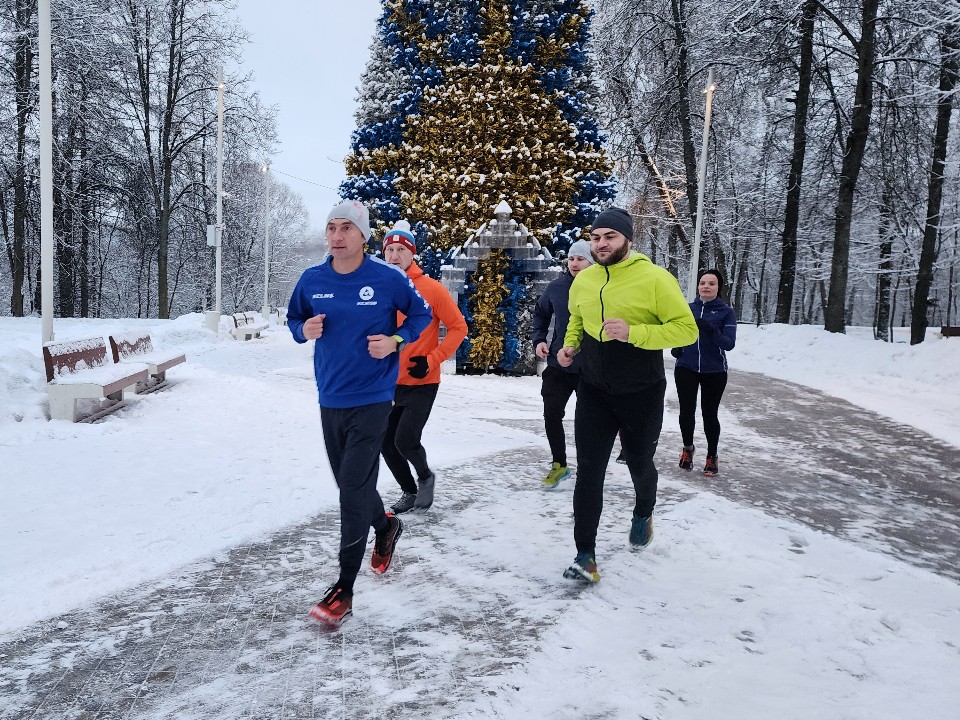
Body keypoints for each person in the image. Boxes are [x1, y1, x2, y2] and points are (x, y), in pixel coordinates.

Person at [287, 200, 432, 625]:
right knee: (354, 487)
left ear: (363, 235)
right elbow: (295, 320)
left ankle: (343, 590)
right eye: (331, 227)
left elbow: (422, 315)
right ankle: (385, 528)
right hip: (330, 398)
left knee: (350, 490)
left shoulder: (387, 277)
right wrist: (303, 330)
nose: (336, 235)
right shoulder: (312, 279)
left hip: (373, 397)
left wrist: (396, 340)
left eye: (346, 227)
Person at [557, 207, 698, 583]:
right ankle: (585, 555)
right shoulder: (583, 281)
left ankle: (643, 513)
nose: (601, 244)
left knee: (638, 461)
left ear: (627, 240)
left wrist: (634, 332)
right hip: (594, 388)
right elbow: (576, 318)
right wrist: (570, 345)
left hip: (641, 389)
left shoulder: (655, 278)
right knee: (589, 470)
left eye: (610, 237)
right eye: (596, 237)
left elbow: (686, 330)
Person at [380, 220, 468, 513]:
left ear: (412, 254)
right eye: (389, 249)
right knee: (384, 442)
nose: (394, 255)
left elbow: (458, 327)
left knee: (405, 440)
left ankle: (425, 476)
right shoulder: (378, 288)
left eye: (400, 250)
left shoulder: (431, 289)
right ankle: (408, 491)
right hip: (387, 380)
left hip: (422, 380)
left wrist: (433, 359)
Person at [531, 239, 593, 489]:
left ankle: (590, 466)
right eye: (571, 259)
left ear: (592, 261)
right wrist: (539, 339)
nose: (575, 263)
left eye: (581, 258)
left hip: (590, 366)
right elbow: (541, 312)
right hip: (559, 364)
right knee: (551, 413)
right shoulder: (557, 287)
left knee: (588, 419)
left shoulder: (602, 287)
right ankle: (560, 464)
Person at [671, 269, 737, 476]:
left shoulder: (726, 312)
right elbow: (678, 334)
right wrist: (677, 347)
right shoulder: (687, 308)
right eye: (702, 283)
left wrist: (710, 329)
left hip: (714, 370)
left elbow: (728, 344)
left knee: (710, 414)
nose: (706, 286)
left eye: (711, 283)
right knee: (686, 412)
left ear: (719, 288)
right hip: (686, 367)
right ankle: (688, 449)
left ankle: (712, 456)